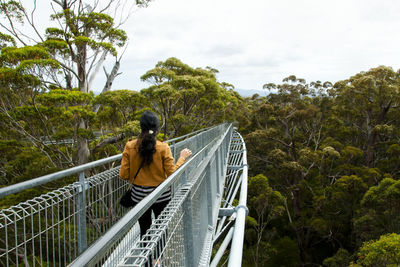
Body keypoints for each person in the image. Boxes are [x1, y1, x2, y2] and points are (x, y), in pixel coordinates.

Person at [119, 111, 192, 235]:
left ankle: (146, 254)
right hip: (161, 194)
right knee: (161, 229)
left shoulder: (130, 146)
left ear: (141, 127)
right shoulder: (163, 148)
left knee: (144, 229)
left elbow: (123, 175)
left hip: (138, 196)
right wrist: (182, 158)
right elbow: (172, 174)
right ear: (157, 128)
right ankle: (158, 254)